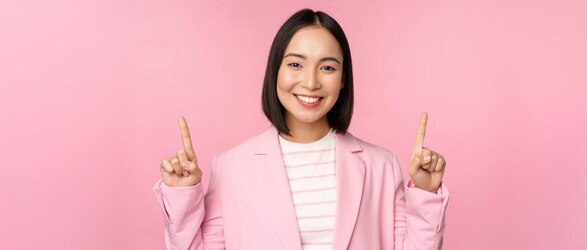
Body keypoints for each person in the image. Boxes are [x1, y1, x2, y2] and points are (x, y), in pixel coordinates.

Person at [153, 8, 450, 250]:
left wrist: (425, 192)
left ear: (343, 79)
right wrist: (183, 196)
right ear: (276, 71)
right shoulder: (231, 167)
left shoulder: (380, 165)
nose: (310, 82)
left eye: (328, 67)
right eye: (296, 64)